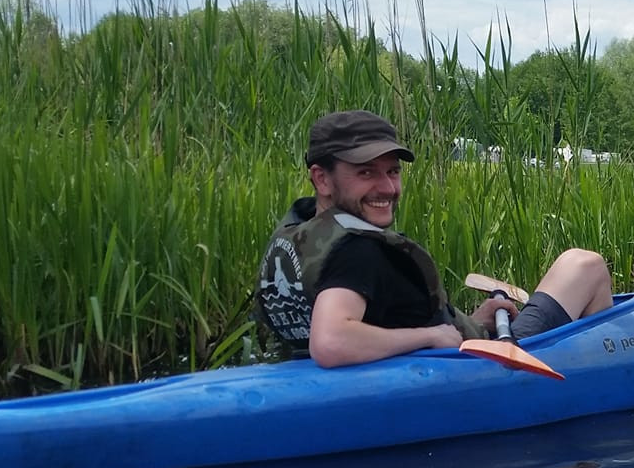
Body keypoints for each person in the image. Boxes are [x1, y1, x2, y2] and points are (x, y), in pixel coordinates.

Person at [256, 110, 615, 368]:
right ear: (321, 178)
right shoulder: (357, 251)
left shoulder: (300, 234)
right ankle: (601, 376)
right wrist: (430, 336)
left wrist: (470, 322)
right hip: (486, 363)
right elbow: (330, 342)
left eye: (392, 171)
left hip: (440, 350)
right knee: (585, 265)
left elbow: (382, 318)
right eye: (366, 173)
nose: (388, 188)